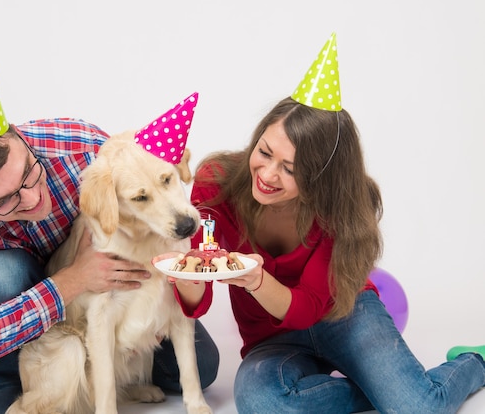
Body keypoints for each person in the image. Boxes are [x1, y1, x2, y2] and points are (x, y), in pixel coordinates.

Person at [170, 34, 485, 413]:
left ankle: (473, 361)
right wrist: (187, 274)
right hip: (274, 339)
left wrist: (254, 279)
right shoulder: (217, 182)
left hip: (347, 318)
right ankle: (381, 390)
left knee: (420, 408)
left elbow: (308, 307)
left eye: (290, 169)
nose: (267, 174)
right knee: (260, 402)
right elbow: (198, 296)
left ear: (321, 177)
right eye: (265, 152)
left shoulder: (341, 208)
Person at [0, 57, 219, 414]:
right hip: (43, 308)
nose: (32, 198)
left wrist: (145, 309)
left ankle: (108, 382)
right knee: (5, 271)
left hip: (109, 300)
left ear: (17, 135)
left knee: (206, 365)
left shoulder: (81, 147)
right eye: (4, 200)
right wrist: (72, 281)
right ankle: (16, 382)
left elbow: (152, 200)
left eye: (28, 173)